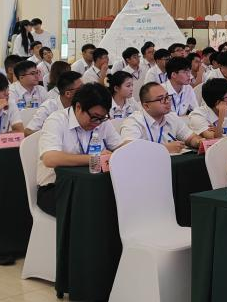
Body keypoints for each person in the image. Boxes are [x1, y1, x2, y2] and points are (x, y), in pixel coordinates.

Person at [36, 83, 123, 214]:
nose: (97, 123)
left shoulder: (102, 122)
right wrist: (94, 158)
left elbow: (120, 147)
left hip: (92, 185)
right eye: (94, 117)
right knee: (95, 209)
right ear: (78, 107)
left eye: (102, 118)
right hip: (56, 187)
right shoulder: (56, 120)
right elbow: (50, 159)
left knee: (120, 201)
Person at [120, 82, 202, 154]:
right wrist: (164, 148)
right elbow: (129, 150)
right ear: (146, 106)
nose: (167, 101)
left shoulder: (172, 117)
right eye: (161, 99)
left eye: (167, 97)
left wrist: (198, 142)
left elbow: (191, 138)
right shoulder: (133, 122)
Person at [27, 70, 82, 135]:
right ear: (68, 94)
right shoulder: (48, 107)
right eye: (80, 88)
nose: (85, 90)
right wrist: (51, 135)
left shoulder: (82, 105)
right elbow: (28, 131)